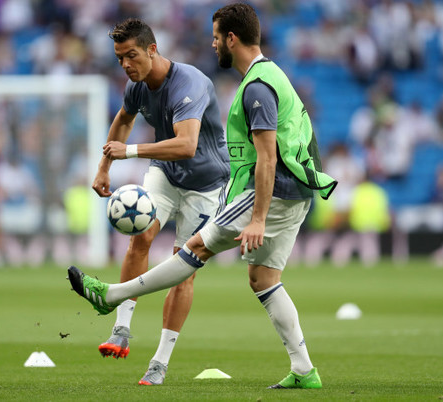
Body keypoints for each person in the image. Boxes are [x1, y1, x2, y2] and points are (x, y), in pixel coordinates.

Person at [68, 4, 336, 390]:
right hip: (294, 192)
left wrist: (258, 218)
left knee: (193, 250)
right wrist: (105, 165)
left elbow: (265, 157)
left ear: (231, 38)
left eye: (215, 38)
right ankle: (304, 371)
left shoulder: (254, 87)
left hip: (264, 189)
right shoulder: (268, 75)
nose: (211, 45)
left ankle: (111, 295)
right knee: (263, 278)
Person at [89, 18, 230, 385]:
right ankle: (121, 328)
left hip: (206, 184)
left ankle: (160, 362)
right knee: (142, 236)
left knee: (182, 267)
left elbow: (187, 145)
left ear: (152, 49)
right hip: (166, 174)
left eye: (131, 56)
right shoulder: (136, 85)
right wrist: (104, 166)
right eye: (120, 58)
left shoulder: (190, 83)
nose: (125, 65)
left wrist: (129, 152)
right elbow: (123, 119)